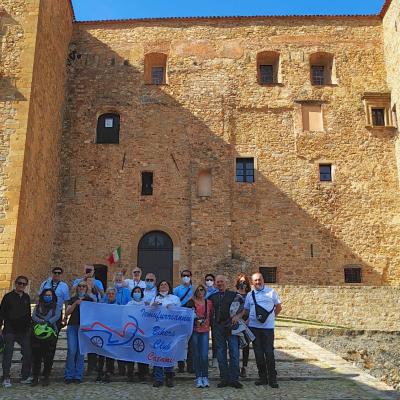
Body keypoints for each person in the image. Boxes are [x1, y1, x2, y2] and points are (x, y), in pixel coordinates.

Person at [243, 272, 282, 388]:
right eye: (255, 280)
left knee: (269, 353)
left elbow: (279, 307)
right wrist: (238, 318)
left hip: (268, 328)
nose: (257, 282)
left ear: (263, 280)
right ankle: (262, 377)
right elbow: (246, 310)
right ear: (252, 282)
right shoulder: (250, 295)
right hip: (254, 328)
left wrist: (271, 318)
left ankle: (272, 379)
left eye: (259, 279)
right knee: (258, 354)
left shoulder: (271, 292)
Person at [209, 275, 243, 389]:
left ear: (226, 282)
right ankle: (224, 378)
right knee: (220, 352)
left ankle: (234, 379)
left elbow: (243, 307)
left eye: (221, 281)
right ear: (215, 284)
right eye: (218, 282)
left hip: (231, 326)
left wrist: (238, 316)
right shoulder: (212, 297)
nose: (220, 284)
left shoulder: (234, 295)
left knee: (234, 351)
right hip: (218, 327)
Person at [0, 276, 32, 388]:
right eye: (19, 283)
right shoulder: (8, 297)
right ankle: (6, 377)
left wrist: (29, 327)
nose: (21, 285)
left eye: (24, 284)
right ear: (15, 283)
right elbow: (1, 313)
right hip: (9, 330)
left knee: (28, 352)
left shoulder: (26, 297)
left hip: (23, 331)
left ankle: (25, 376)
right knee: (8, 354)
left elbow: (28, 314)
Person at [151, 280, 181, 388]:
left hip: (170, 330)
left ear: (169, 287)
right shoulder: (154, 298)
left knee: (169, 353)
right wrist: (152, 307)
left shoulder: (175, 298)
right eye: (161, 284)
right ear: (158, 287)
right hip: (157, 329)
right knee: (157, 353)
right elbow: (147, 314)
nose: (163, 286)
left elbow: (181, 313)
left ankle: (169, 377)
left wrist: (173, 309)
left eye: (166, 284)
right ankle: (158, 378)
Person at [63, 281, 93, 384]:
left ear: (86, 288)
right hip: (72, 326)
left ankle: (78, 375)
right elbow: (67, 312)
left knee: (80, 352)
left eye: (83, 286)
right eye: (79, 286)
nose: (81, 288)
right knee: (72, 351)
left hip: (84, 328)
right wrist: (76, 303)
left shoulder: (90, 300)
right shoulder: (73, 299)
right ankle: (69, 375)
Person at [31, 288, 61, 386]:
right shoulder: (38, 305)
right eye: (46, 295)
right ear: (43, 296)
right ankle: (35, 377)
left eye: (49, 295)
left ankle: (46, 376)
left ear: (52, 297)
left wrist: (48, 322)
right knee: (37, 357)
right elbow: (34, 316)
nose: (47, 297)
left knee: (48, 357)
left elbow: (57, 315)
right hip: (38, 333)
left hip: (50, 333)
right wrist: (41, 322)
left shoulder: (56, 306)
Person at [186, 285, 212, 388]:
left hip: (205, 331)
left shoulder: (209, 303)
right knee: (196, 355)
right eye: (198, 290)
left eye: (202, 290)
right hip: (194, 331)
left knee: (204, 355)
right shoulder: (191, 302)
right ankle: (198, 377)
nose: (200, 292)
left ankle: (205, 376)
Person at [126, 286, 148, 382]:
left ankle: (142, 374)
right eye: (135, 291)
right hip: (131, 331)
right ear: (132, 293)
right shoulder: (129, 304)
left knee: (142, 352)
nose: (137, 293)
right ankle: (130, 374)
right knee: (131, 353)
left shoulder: (145, 304)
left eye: (139, 291)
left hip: (142, 331)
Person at [173, 269, 194, 373]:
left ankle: (190, 366)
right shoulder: (176, 290)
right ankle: (180, 365)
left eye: (187, 275)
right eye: (184, 275)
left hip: (191, 319)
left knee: (191, 343)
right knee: (180, 342)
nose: (186, 277)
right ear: (181, 277)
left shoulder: (194, 289)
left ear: (191, 276)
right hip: (180, 319)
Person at [96, 287, 117, 383]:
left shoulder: (118, 306)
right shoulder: (102, 305)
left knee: (110, 354)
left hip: (113, 332)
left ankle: (109, 372)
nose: (110, 295)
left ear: (115, 295)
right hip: (103, 332)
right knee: (101, 353)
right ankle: (99, 372)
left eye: (112, 294)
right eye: (109, 294)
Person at [38, 267, 70, 331]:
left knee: (55, 332)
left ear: (61, 274)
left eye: (59, 273)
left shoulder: (64, 286)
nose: (57, 274)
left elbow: (66, 302)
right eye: (55, 272)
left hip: (57, 313)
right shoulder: (45, 283)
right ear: (52, 273)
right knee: (41, 332)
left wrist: (65, 317)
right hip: (44, 312)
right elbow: (39, 297)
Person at [235, 273, 251, 378]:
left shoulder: (250, 294)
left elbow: (252, 308)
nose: (242, 283)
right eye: (241, 281)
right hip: (237, 321)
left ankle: (244, 367)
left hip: (247, 322)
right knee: (235, 345)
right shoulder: (234, 294)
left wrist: (249, 320)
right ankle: (235, 367)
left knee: (246, 346)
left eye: (244, 281)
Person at [204, 273, 218, 368]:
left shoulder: (216, 291)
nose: (209, 281)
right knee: (204, 338)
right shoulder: (202, 291)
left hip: (214, 317)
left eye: (210, 279)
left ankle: (215, 358)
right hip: (204, 317)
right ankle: (204, 358)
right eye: (207, 279)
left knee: (215, 338)